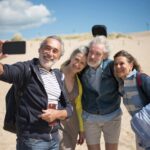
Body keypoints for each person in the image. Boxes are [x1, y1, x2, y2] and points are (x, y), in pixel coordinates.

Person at [0, 35, 73, 150]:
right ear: (39, 50)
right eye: (47, 48)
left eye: (55, 51)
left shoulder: (58, 76)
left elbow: (69, 107)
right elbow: (4, 71)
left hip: (54, 138)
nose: (50, 53)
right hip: (32, 140)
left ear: (59, 57)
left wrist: (57, 114)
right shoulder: (26, 69)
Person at [80, 36, 122, 150]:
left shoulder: (112, 66)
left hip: (112, 116)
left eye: (98, 54)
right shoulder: (82, 67)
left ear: (104, 56)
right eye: (91, 52)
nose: (92, 56)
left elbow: (126, 79)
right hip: (89, 118)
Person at [113, 50, 150, 150]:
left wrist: (140, 117)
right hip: (141, 131)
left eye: (121, 63)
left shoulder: (141, 78)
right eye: (116, 64)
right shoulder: (121, 86)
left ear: (131, 65)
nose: (118, 67)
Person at [59, 46, 89, 150]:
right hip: (57, 124)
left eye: (82, 63)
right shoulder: (56, 74)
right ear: (71, 57)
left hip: (73, 126)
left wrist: (81, 129)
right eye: (76, 59)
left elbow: (78, 108)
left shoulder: (79, 83)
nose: (78, 64)